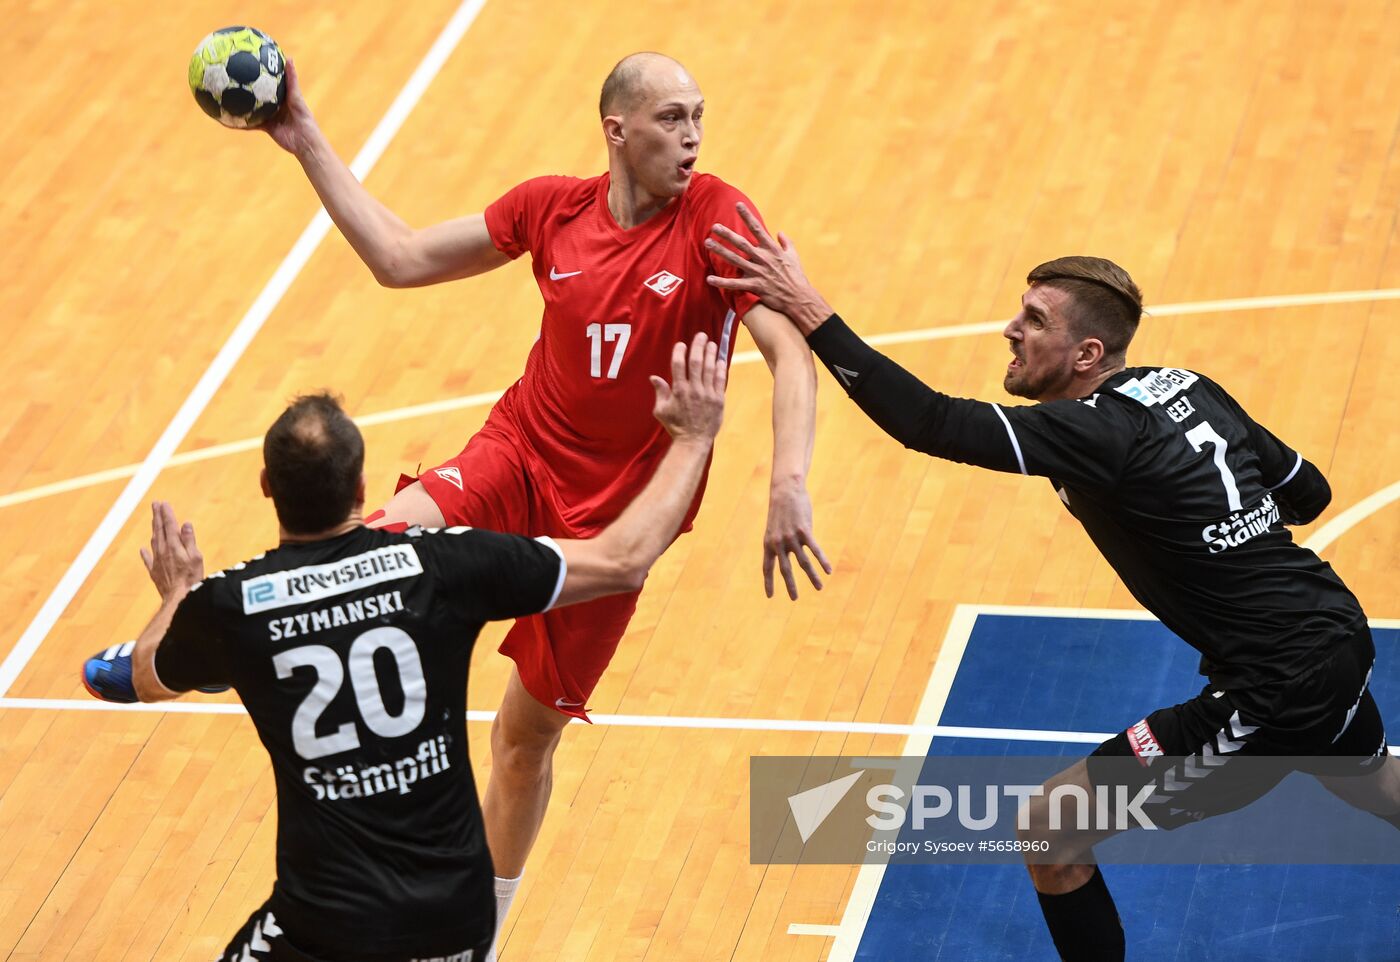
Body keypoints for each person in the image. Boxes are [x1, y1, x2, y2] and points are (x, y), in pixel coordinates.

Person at [704, 205, 1400, 961]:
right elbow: (1312, 492)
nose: (1011, 328)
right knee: (1364, 777)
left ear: (1086, 354)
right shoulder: (1187, 386)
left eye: (1034, 320)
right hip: (1334, 630)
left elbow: (932, 423)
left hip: (1277, 684)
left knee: (1051, 828)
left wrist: (812, 312)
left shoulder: (1097, 431)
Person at [257, 51, 830, 943]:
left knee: (524, 744)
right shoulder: (551, 207)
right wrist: (304, 141)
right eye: (672, 118)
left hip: (620, 520)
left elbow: (790, 350)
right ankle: (225, 633)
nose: (693, 138)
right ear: (617, 129)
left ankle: (478, 932)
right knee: (362, 554)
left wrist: (788, 482)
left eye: (699, 117)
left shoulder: (718, 216)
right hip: (517, 452)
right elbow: (401, 259)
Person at [80, 333, 726, 962]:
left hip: (325, 923)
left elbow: (139, 677)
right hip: (455, 920)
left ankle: (218, 668)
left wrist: (177, 599)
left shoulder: (230, 606)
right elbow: (623, 560)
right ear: (364, 489)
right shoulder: (443, 566)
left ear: (266, 487)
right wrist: (693, 438)